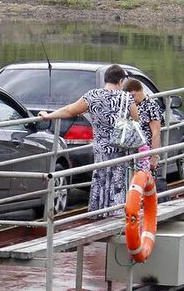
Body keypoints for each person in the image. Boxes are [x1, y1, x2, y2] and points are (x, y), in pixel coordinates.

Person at [39, 64, 138, 212]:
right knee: (118, 181)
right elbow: (137, 121)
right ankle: (117, 213)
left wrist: (48, 116)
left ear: (106, 80)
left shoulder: (92, 96)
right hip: (120, 148)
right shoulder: (126, 98)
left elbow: (68, 111)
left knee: (100, 180)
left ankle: (99, 212)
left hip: (101, 149)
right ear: (120, 81)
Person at [124, 78, 162, 179]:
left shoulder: (150, 106)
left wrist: (154, 156)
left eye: (133, 96)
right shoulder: (130, 105)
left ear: (141, 90)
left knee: (145, 183)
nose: (131, 99)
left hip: (145, 153)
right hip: (132, 153)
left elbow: (156, 133)